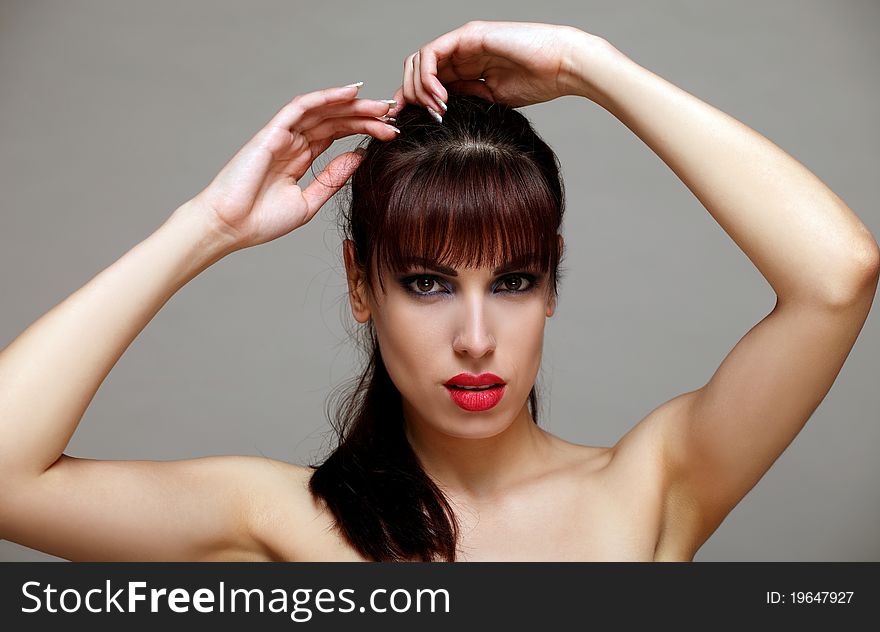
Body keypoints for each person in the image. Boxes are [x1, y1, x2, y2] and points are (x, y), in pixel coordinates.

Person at [0, 21, 877, 562]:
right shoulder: (277, 520)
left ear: (552, 283)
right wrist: (206, 227)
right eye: (426, 283)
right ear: (360, 285)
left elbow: (839, 277)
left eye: (515, 281)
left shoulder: (654, 483)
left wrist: (589, 64)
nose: (475, 337)